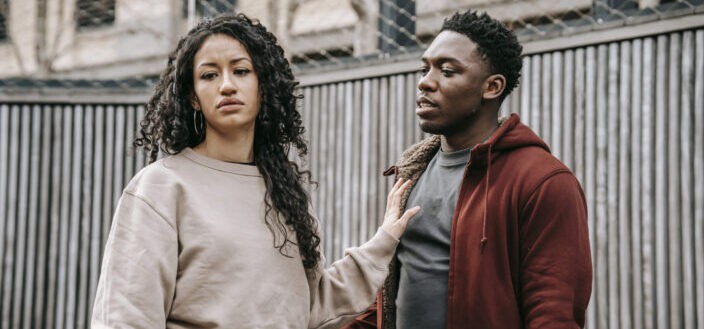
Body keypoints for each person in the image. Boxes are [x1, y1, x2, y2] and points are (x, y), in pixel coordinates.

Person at [91, 13, 420, 329]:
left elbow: (309, 308)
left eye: (241, 71)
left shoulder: (286, 194)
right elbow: (126, 317)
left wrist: (384, 240)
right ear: (193, 97)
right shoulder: (161, 187)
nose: (227, 85)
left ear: (264, 85)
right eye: (209, 75)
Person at [345, 10, 592, 329]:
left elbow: (553, 313)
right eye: (425, 68)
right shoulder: (413, 171)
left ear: (492, 87)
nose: (425, 82)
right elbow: (390, 295)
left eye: (447, 71)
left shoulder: (542, 181)